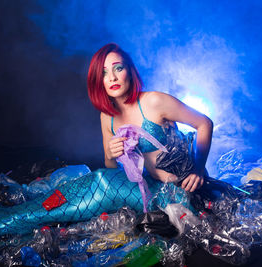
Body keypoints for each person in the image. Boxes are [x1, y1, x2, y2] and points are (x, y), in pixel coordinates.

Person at [87, 43, 213, 192]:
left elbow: (205, 123)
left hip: (189, 186)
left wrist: (198, 170)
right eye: (104, 73)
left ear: (129, 71)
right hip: (156, 189)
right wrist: (109, 155)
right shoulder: (108, 117)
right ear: (97, 80)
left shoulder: (154, 101)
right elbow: (112, 169)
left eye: (118, 68)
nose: (112, 78)